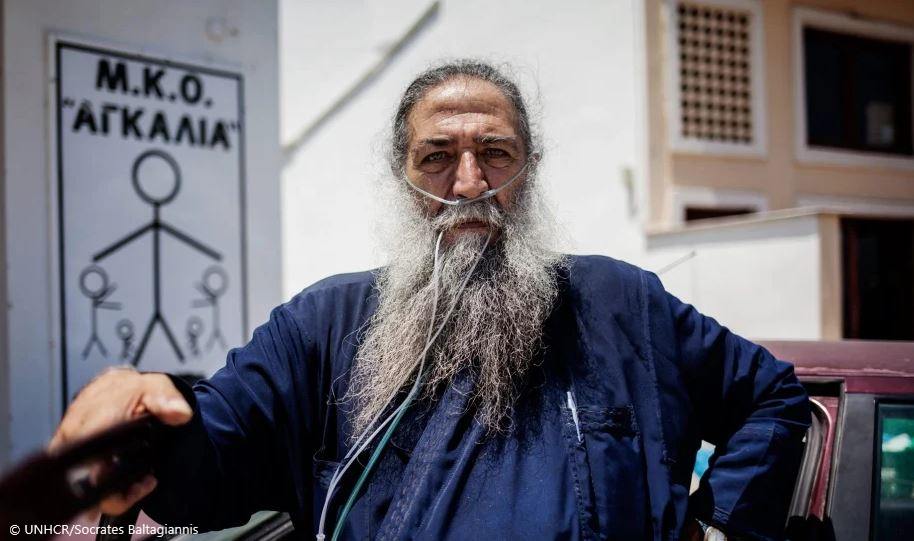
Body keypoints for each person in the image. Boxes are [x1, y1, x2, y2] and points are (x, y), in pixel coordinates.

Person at [51, 60, 810, 541]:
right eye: (438, 157)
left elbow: (772, 397)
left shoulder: (618, 303)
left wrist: (721, 527)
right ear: (403, 175)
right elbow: (216, 448)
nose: (469, 183)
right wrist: (144, 417)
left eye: (495, 154)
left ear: (529, 169)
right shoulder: (324, 325)